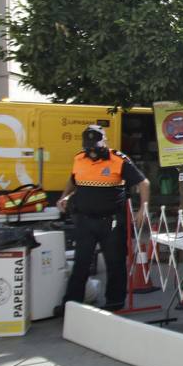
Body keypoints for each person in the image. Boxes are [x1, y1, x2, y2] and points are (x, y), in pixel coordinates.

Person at [57, 125, 150, 313]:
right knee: (81, 263)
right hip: (84, 220)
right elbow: (74, 180)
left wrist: (143, 209)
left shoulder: (118, 160)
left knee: (114, 263)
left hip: (111, 222)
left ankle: (114, 303)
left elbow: (144, 182)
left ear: (104, 143)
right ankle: (71, 304)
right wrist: (65, 196)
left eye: (95, 147)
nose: (91, 152)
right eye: (88, 147)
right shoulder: (79, 158)